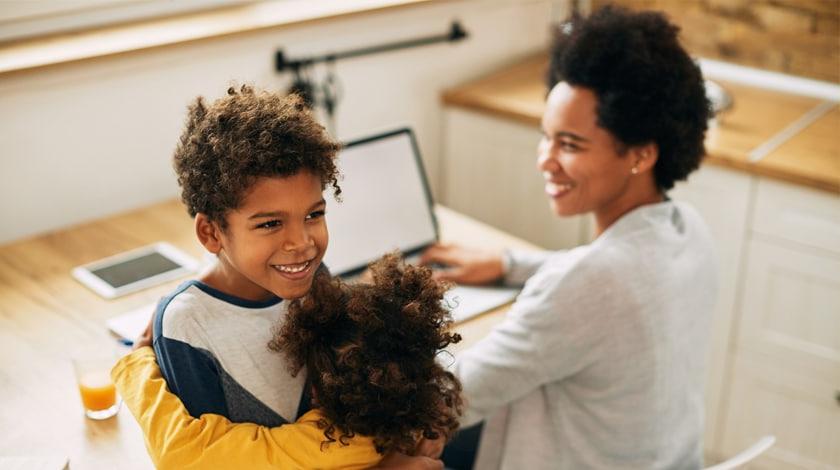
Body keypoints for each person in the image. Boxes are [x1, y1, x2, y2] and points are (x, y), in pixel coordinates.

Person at [422, 6, 718, 469]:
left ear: (640, 154)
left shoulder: (588, 287)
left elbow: (448, 399)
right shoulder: (688, 229)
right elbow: (611, 271)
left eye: (570, 145)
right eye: (546, 136)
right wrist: (507, 263)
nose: (545, 159)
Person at [113, 253, 463, 469]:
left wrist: (136, 364)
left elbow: (181, 453)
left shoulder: (323, 444)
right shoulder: (414, 417)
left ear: (316, 392)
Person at [151, 85, 342, 428]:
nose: (301, 243)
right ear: (211, 233)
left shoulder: (315, 281)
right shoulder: (188, 326)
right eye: (271, 223)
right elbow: (212, 457)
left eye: (314, 215)